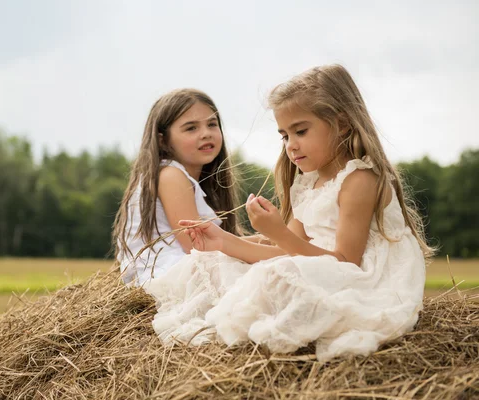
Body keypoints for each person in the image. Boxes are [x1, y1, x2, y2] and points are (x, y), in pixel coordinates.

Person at [144, 65, 434, 362]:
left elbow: (346, 263)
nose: (291, 146)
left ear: (342, 124)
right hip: (317, 265)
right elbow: (286, 251)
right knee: (223, 265)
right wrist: (222, 241)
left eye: (301, 131)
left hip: (366, 277)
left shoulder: (359, 180)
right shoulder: (308, 182)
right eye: (284, 135)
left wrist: (277, 233)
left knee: (277, 276)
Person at [112, 88, 242, 286]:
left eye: (212, 124)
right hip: (172, 276)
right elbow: (197, 247)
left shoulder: (177, 175)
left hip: (182, 271)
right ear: (163, 140)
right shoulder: (171, 176)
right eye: (191, 128)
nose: (206, 134)